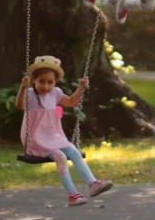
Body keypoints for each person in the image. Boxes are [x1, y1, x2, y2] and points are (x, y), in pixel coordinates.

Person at [16, 55, 113, 206]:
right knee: (60, 156)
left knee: (73, 150)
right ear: (34, 79)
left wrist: (81, 88)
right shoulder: (29, 94)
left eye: (50, 82)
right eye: (41, 81)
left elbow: (72, 102)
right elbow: (20, 106)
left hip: (53, 136)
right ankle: (72, 194)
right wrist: (23, 87)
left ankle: (93, 183)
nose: (46, 86)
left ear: (55, 82)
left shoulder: (56, 93)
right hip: (36, 138)